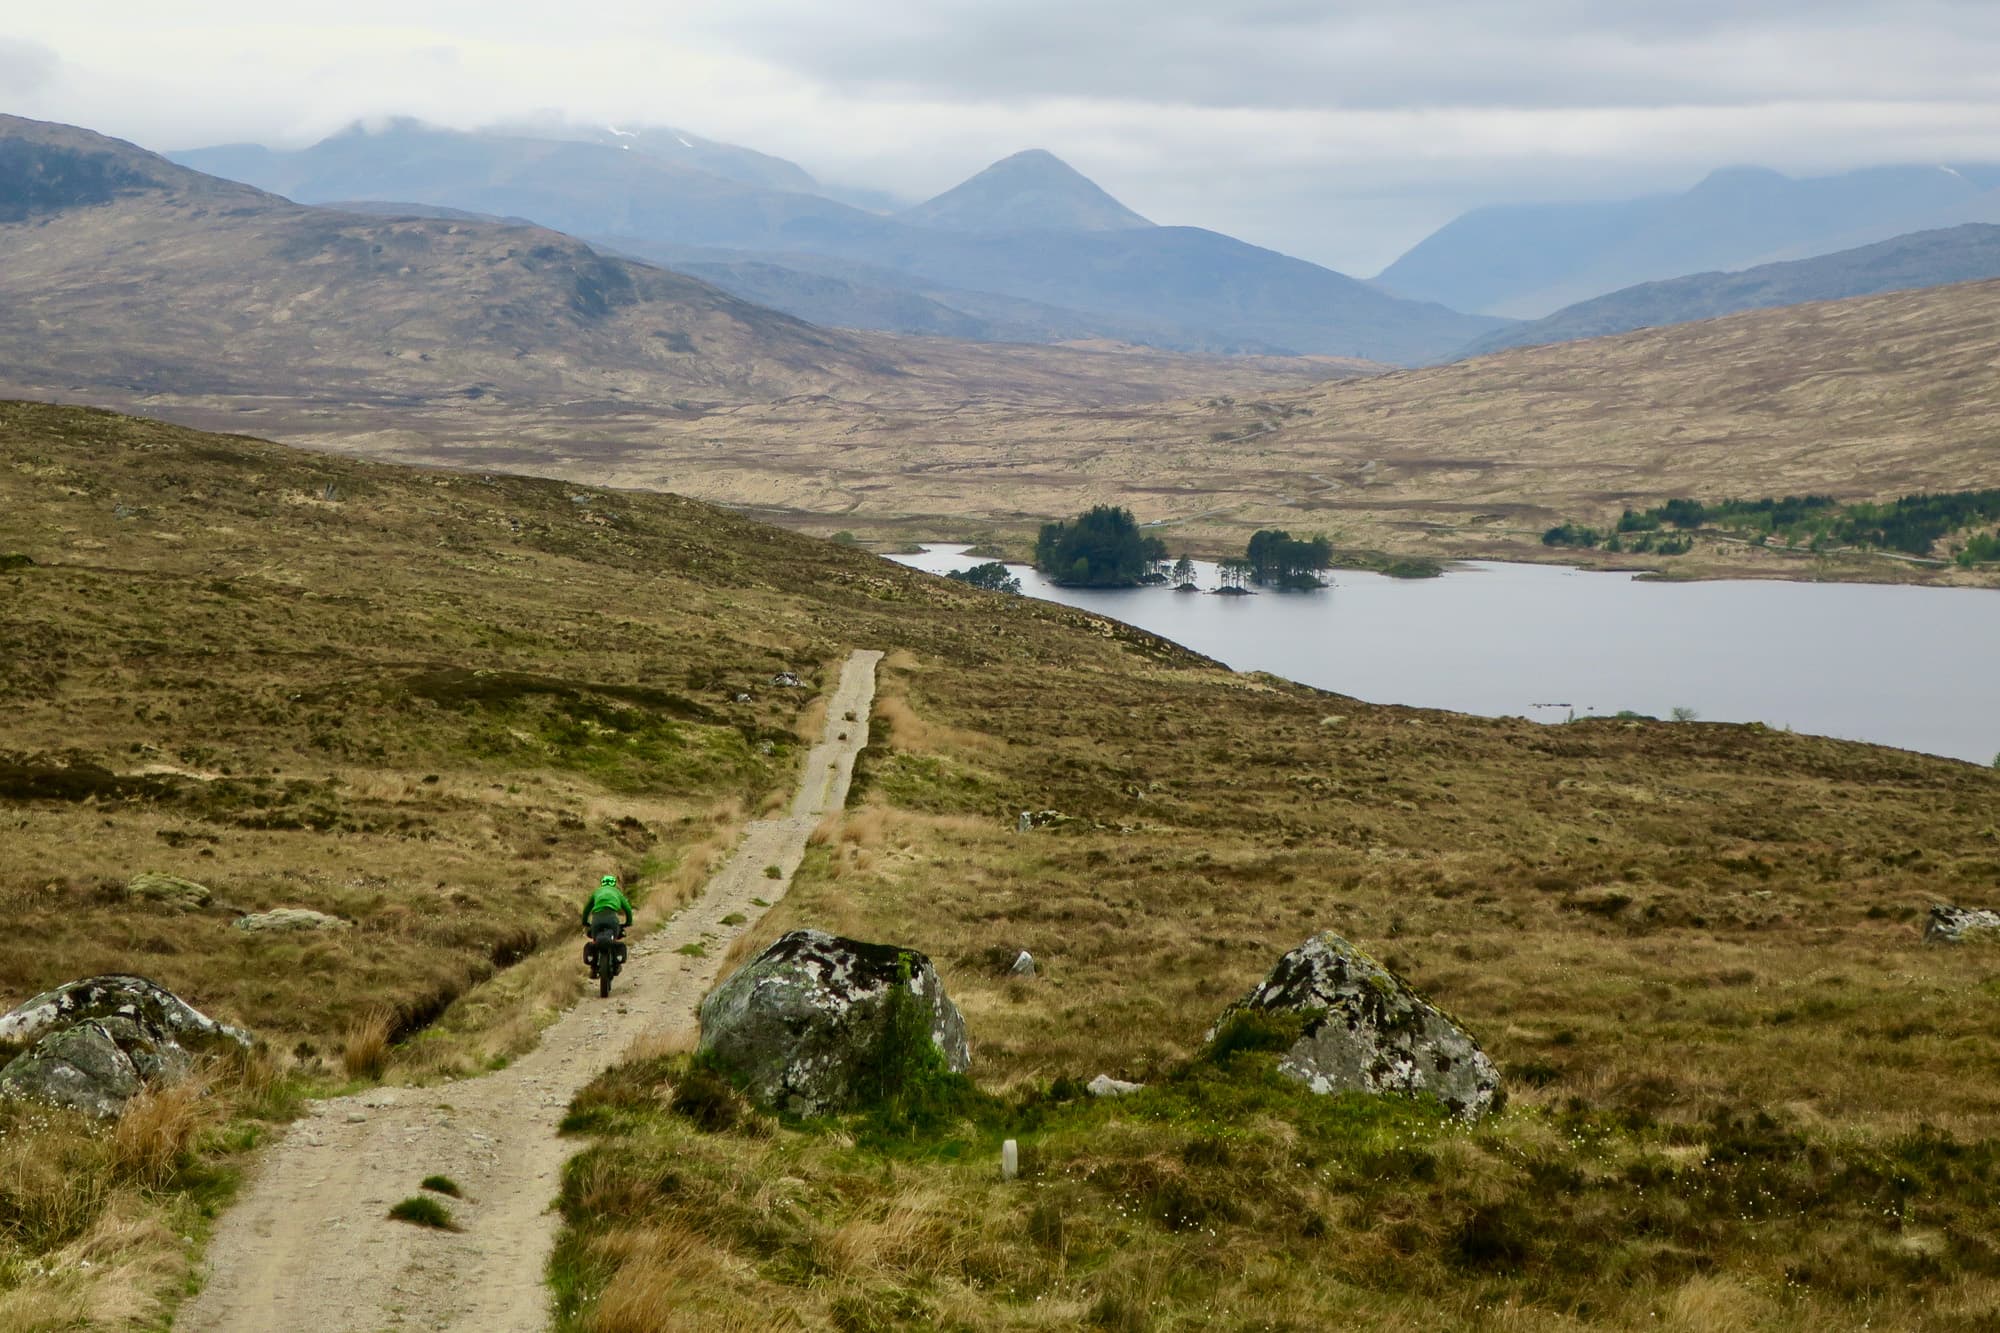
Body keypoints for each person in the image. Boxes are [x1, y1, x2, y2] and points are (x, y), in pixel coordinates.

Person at [581, 873, 633, 968]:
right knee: (616, 937)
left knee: (595, 940)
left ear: (602, 883)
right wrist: (628, 922)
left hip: (597, 918)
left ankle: (593, 967)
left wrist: (584, 922)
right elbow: (628, 909)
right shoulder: (617, 892)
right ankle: (616, 964)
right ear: (614, 884)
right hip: (611, 918)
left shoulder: (597, 892)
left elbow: (586, 909)